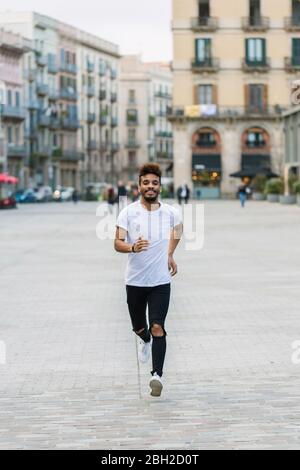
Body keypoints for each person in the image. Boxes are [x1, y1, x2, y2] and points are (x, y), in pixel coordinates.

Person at [114, 163, 183, 397]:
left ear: (160, 187)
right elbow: (117, 243)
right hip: (134, 281)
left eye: (154, 183)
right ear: (139, 186)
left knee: (157, 326)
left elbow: (178, 231)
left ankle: (157, 376)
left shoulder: (171, 212)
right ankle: (144, 339)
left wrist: (170, 253)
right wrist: (133, 247)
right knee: (140, 327)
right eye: (146, 183)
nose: (150, 186)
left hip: (160, 282)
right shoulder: (128, 212)